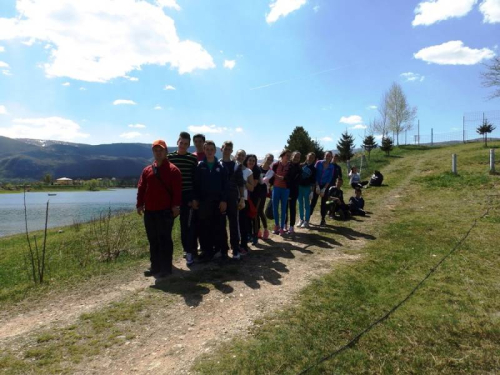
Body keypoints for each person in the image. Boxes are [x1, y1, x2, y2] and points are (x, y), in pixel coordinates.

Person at [136, 140, 182, 278]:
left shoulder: (173, 170)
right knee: (153, 239)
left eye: (161, 150)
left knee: (165, 239)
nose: (158, 152)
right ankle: (155, 267)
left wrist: (176, 206)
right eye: (156, 150)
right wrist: (139, 204)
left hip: (165, 211)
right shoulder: (147, 170)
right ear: (153, 152)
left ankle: (166, 268)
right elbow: (141, 188)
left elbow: (177, 192)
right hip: (150, 211)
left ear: (166, 152)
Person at [193, 141, 228, 262]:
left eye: (211, 149)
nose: (209, 151)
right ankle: (206, 251)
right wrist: (195, 199)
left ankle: (221, 251)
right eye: (207, 149)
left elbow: (225, 185)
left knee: (219, 227)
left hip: (218, 202)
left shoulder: (221, 167)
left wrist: (224, 200)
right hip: (203, 202)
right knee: (204, 228)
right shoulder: (199, 166)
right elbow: (196, 185)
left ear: (215, 151)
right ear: (204, 150)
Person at [167, 132, 198, 266]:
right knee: (167, 225)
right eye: (181, 143)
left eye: (186, 144)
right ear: (177, 142)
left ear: (189, 145)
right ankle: (166, 256)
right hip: (172, 196)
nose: (183, 146)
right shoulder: (169, 157)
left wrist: (194, 198)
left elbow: (195, 180)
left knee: (186, 225)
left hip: (187, 195)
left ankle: (188, 251)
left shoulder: (192, 159)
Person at [219, 141, 245, 260]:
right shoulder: (217, 164)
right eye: (225, 148)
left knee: (233, 224)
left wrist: (242, 199)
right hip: (220, 199)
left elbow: (240, 184)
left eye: (230, 149)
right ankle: (223, 249)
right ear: (222, 149)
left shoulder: (236, 165)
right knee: (221, 224)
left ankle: (235, 249)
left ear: (232, 151)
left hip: (233, 198)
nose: (227, 150)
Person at [235, 150, 255, 254]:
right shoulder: (232, 167)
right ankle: (235, 244)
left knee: (243, 224)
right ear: (235, 156)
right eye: (239, 155)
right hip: (233, 198)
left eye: (243, 155)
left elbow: (251, 188)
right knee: (234, 224)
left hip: (243, 200)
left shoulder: (248, 171)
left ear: (245, 157)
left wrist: (243, 182)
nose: (241, 157)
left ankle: (243, 245)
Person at [310, 151, 334, 226]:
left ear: (331, 157)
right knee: (313, 202)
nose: (328, 157)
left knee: (324, 203)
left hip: (325, 186)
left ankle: (323, 219)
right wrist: (317, 186)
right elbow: (315, 174)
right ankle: (307, 218)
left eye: (329, 156)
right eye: (327, 155)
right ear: (324, 156)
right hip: (317, 184)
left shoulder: (331, 167)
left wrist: (324, 189)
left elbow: (329, 178)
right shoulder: (319, 163)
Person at [271, 149, 291, 236]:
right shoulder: (276, 165)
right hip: (276, 188)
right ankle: (276, 226)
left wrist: (276, 176)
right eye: (287, 155)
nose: (289, 157)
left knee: (283, 209)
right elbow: (270, 175)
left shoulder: (290, 166)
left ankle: (282, 228)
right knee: (275, 208)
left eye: (289, 156)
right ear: (282, 156)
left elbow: (288, 178)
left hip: (285, 189)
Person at [256, 153, 274, 239]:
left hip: (262, 192)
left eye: (271, 160)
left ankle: (266, 230)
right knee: (255, 212)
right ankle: (258, 230)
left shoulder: (271, 171)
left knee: (260, 211)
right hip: (255, 192)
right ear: (265, 158)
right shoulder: (258, 168)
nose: (269, 161)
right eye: (268, 159)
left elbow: (270, 182)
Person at [297, 152, 316, 228]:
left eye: (312, 157)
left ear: (314, 159)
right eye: (309, 156)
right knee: (300, 204)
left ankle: (306, 220)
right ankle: (301, 219)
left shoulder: (314, 169)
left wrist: (312, 191)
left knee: (307, 205)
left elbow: (313, 181)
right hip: (299, 187)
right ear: (306, 156)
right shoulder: (301, 165)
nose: (310, 158)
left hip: (307, 188)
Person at [285, 151, 302, 234]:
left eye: (298, 157)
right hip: (284, 190)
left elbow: (297, 181)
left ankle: (291, 227)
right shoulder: (287, 165)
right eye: (295, 156)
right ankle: (284, 225)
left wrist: (290, 192)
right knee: (284, 209)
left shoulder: (299, 168)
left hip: (294, 191)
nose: (296, 158)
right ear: (292, 156)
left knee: (292, 208)